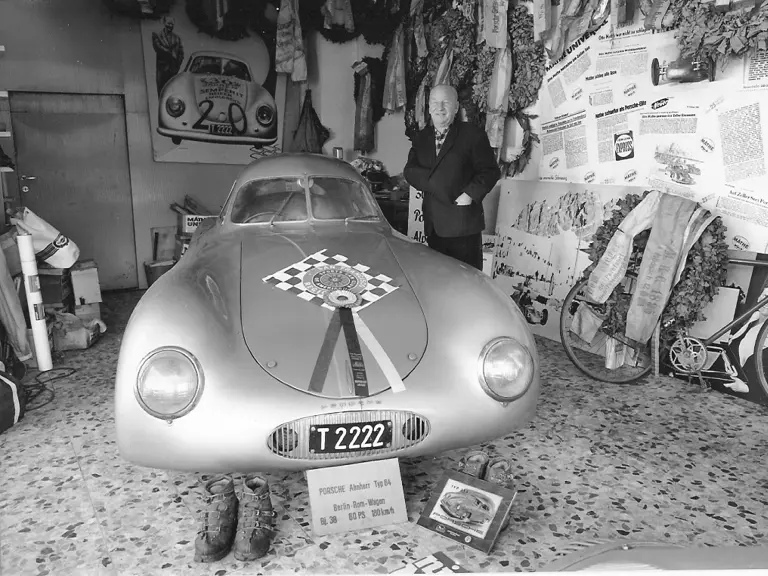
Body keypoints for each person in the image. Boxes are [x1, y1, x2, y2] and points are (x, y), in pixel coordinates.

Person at [403, 84, 500, 270]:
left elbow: (490, 171)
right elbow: (409, 171)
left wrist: (469, 195)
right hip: (433, 224)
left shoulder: (472, 134)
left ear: (456, 108)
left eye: (445, 102)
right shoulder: (421, 138)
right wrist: (435, 183)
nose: (439, 107)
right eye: (434, 102)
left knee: (466, 282)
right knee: (439, 279)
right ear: (429, 107)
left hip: (462, 224)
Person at [152, 17, 185, 97]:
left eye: (172, 24)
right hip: (162, 68)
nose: (170, 26)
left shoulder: (177, 38)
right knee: (161, 91)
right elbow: (158, 48)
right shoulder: (158, 35)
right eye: (168, 24)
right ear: (164, 24)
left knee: (171, 91)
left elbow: (181, 53)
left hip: (173, 69)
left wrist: (177, 65)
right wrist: (170, 53)